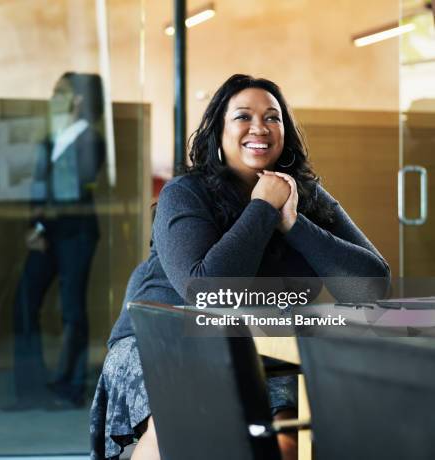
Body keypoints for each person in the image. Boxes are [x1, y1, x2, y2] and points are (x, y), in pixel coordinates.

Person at [90, 74, 390, 460]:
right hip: (162, 338)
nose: (259, 128)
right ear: (218, 130)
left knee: (288, 438)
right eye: (243, 116)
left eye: (272, 117)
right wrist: (262, 208)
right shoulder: (185, 194)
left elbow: (371, 286)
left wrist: (294, 223)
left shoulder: (305, 196)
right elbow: (207, 292)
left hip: (263, 343)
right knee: (180, 424)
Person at [8, 72, 106, 410]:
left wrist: (41, 222)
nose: (52, 98)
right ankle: (31, 387)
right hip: (47, 231)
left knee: (72, 309)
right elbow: (39, 188)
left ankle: (71, 385)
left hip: (75, 232)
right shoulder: (51, 138)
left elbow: (71, 192)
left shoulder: (89, 140)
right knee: (24, 302)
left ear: (77, 100)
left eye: (59, 91)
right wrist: (33, 225)